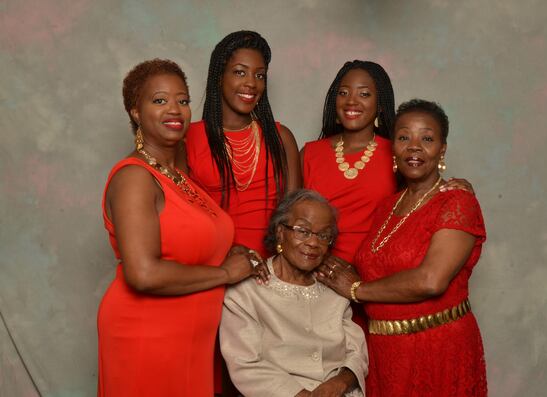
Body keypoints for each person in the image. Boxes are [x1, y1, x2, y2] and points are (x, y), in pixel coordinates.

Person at [97, 59, 266, 397]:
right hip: (146, 336)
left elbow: (189, 242)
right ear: (135, 111)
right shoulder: (135, 178)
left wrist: (227, 249)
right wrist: (225, 273)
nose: (175, 109)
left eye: (183, 100)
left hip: (190, 340)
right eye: (159, 100)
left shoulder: (180, 174)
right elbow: (143, 273)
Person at [317, 99, 487, 396]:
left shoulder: (457, 203)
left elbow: (431, 281)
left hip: (436, 349)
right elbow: (381, 268)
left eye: (427, 138)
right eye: (404, 137)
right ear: (392, 146)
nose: (414, 146)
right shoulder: (386, 206)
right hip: (385, 353)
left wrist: (356, 289)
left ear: (442, 149)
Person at [302, 61, 471, 264]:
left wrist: (458, 189)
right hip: (315, 269)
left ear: (380, 104)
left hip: (373, 273)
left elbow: (424, 196)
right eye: (343, 93)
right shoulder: (310, 153)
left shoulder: (399, 152)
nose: (351, 102)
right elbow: (291, 219)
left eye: (364, 94)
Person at [220, 190, 368, 397]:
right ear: (281, 232)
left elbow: (356, 352)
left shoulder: (334, 286)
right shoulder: (246, 290)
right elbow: (245, 363)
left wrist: (339, 383)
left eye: (324, 235)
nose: (313, 243)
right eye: (303, 231)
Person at [184, 30, 301, 258]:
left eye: (260, 76)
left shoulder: (281, 137)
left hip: (272, 271)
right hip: (214, 265)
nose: (251, 83)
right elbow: (183, 221)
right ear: (219, 76)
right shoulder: (189, 139)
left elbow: (294, 219)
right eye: (240, 72)